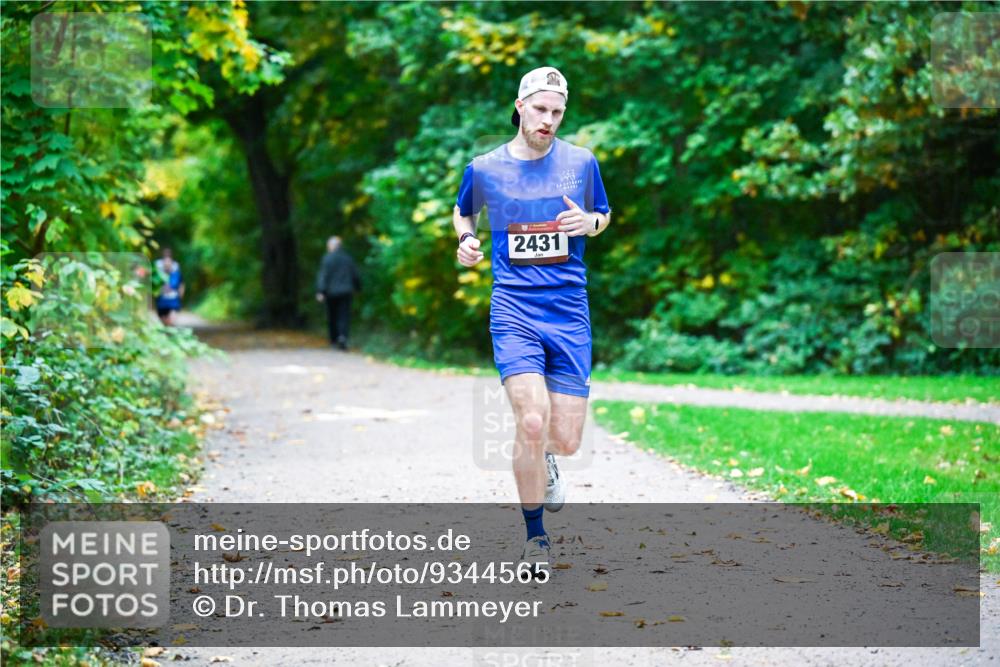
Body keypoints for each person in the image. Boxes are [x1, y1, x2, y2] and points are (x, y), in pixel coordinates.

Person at [453, 67, 611, 566]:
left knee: (564, 439)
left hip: (568, 309)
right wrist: (466, 238)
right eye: (540, 109)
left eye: (557, 112)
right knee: (533, 416)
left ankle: (546, 457)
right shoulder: (484, 168)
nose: (549, 120)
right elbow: (463, 212)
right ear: (520, 107)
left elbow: (603, 214)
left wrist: (589, 223)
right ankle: (535, 537)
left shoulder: (582, 163)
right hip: (514, 307)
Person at [315, 236, 361, 350]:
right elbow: (355, 275)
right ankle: (343, 337)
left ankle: (334, 340)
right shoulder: (348, 258)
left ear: (332, 246)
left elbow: (323, 276)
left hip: (331, 293)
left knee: (332, 316)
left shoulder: (327, 259)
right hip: (346, 292)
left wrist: (321, 291)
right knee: (344, 316)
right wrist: (358, 288)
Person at [154, 247, 184, 326]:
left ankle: (171, 335)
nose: (167, 264)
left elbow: (181, 284)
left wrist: (180, 297)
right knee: (164, 323)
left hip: (173, 301)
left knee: (171, 321)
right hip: (161, 302)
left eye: (169, 262)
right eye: (165, 263)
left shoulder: (176, 274)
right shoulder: (158, 274)